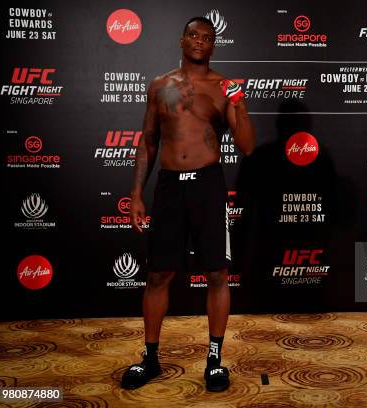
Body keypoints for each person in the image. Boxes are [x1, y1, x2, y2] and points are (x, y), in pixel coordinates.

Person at [120, 16, 255, 391]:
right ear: (182, 41)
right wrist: (135, 194)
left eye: (207, 38)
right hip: (168, 187)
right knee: (158, 274)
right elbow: (148, 141)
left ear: (213, 46)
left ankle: (214, 360)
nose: (199, 41)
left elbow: (247, 146)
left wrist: (238, 103)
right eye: (193, 35)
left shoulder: (223, 87)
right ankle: (150, 358)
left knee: (216, 274)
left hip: (208, 186)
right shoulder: (160, 86)